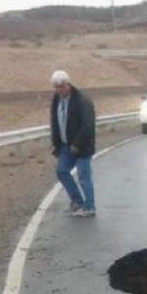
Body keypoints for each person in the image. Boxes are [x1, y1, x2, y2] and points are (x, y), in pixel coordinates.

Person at [49, 70, 97, 217]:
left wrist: (77, 144)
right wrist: (55, 142)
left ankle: (90, 207)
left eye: (62, 86)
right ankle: (77, 201)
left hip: (82, 146)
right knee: (62, 171)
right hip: (65, 146)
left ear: (68, 84)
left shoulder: (82, 101)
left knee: (83, 176)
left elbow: (88, 126)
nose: (59, 89)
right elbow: (55, 122)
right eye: (56, 87)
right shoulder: (56, 100)